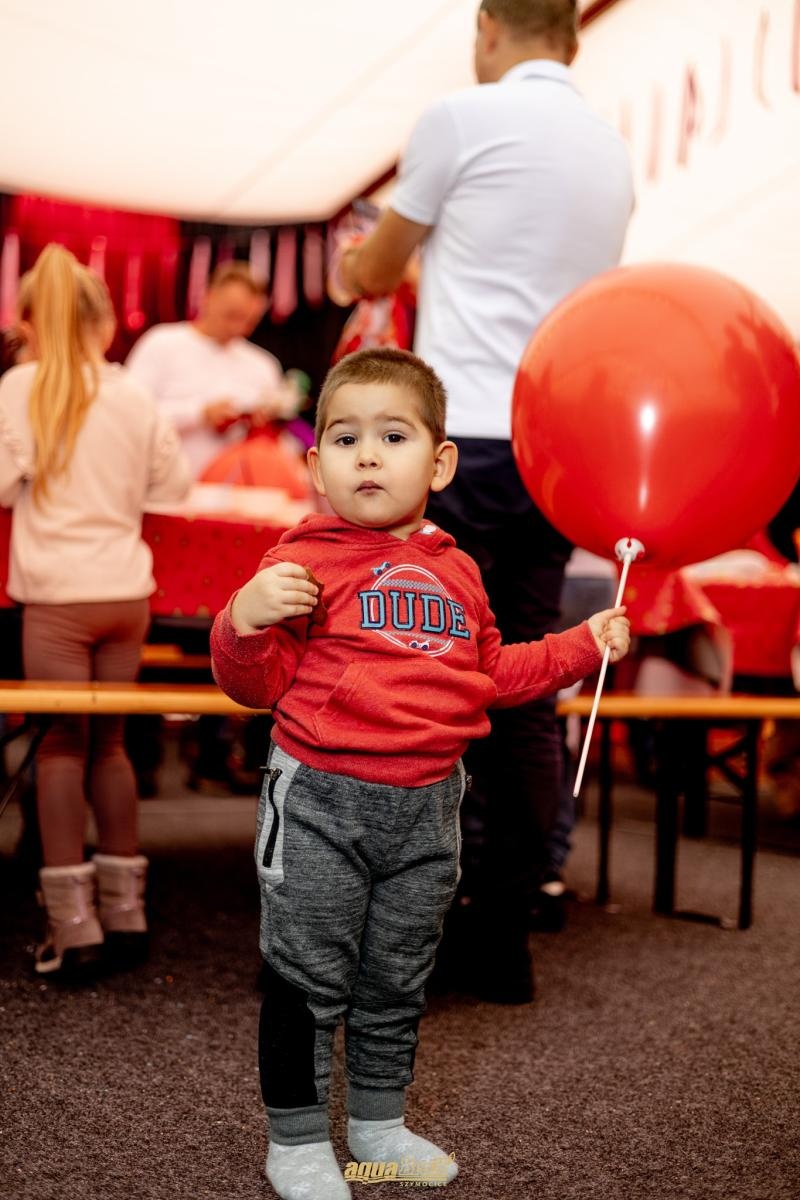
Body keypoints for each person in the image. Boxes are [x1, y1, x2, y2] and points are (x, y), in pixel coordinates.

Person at [210, 347, 630, 1200]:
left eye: (392, 437)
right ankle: (296, 1142)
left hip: (430, 808)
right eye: (344, 439)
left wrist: (581, 646)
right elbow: (254, 687)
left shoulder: (459, 570)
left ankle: (376, 1128)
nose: (367, 455)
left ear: (439, 464)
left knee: (398, 975)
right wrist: (241, 621)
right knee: (306, 975)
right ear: (316, 465)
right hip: (321, 800)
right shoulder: (299, 560)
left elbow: (493, 674)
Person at [334, 0, 634, 1001]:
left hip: (458, 441)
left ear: (489, 27)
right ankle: (502, 934)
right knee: (525, 685)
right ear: (570, 36)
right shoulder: (610, 151)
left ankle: (396, 933)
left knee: (408, 666)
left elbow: (378, 266)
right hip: (554, 445)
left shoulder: (459, 118)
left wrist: (354, 262)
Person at [0, 244, 191, 977]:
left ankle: (72, 925)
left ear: (32, 322)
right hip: (126, 594)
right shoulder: (133, 393)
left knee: (59, 748)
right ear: (105, 322)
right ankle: (126, 910)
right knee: (111, 747)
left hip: (56, 597)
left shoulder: (21, 386)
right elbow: (172, 488)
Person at [125, 259, 300, 479]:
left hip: (239, 486)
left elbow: (278, 441)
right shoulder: (161, 343)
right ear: (208, 297)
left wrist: (261, 425)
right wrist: (199, 414)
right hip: (166, 483)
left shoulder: (263, 365)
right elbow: (129, 416)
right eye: (232, 315)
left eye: (248, 321)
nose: (237, 327)